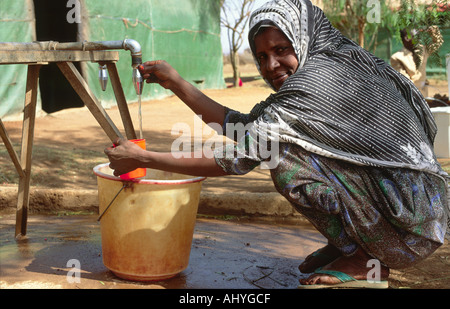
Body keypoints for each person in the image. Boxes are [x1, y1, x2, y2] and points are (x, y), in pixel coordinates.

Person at [105, 0, 449, 288]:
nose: (271, 65)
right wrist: (177, 83)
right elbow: (243, 128)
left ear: (300, 38)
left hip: (411, 225)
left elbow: (239, 158)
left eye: (281, 50)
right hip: (413, 211)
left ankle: (364, 258)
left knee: (281, 157)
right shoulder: (331, 60)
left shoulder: (316, 82)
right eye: (262, 56)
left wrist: (144, 157)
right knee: (277, 143)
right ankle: (350, 245)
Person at [390, 26, 443, 97]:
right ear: (407, 38)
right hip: (410, 96)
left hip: (424, 94)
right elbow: (405, 81)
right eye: (416, 36)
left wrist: (434, 32)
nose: (419, 39)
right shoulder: (397, 57)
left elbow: (437, 43)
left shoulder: (422, 50)